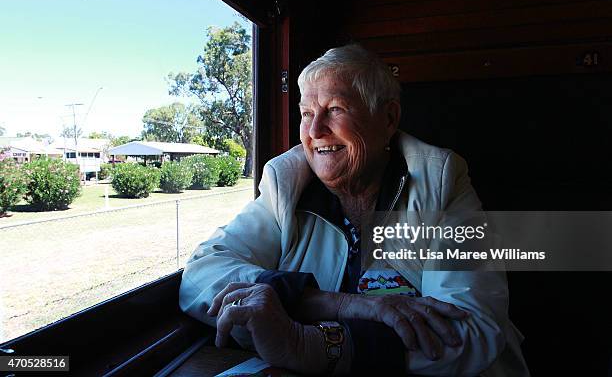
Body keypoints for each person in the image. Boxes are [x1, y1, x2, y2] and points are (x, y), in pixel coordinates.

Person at [179, 44, 529, 376]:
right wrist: (335, 304)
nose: (314, 130)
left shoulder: (440, 181)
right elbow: (200, 276)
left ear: (388, 119)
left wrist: (310, 345)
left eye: (335, 109)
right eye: (306, 113)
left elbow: (471, 327)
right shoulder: (287, 184)